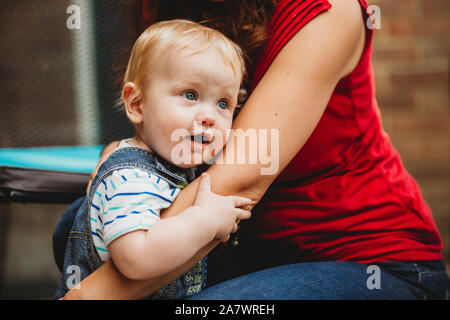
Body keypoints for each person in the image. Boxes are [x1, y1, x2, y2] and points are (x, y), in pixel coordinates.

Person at [55, 0, 450, 299]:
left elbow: (239, 182)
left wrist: (86, 295)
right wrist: (125, 153)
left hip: (364, 258)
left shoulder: (330, 12)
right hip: (248, 249)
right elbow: (162, 108)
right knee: (79, 224)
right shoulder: (167, 4)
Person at [54, 19, 252, 299]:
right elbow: (136, 259)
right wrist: (205, 220)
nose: (210, 116)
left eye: (223, 103)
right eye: (190, 95)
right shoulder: (130, 178)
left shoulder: (178, 163)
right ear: (136, 105)